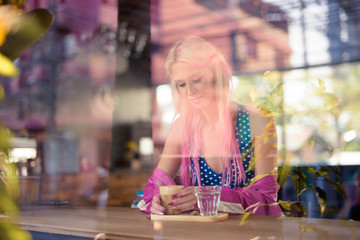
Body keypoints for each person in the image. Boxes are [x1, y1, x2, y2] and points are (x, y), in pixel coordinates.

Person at [138, 36, 283, 216]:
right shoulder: (182, 127)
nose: (190, 91)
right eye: (181, 84)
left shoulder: (258, 120)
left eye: (197, 79)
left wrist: (205, 196)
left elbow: (266, 201)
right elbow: (153, 187)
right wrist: (156, 201)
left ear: (217, 74)